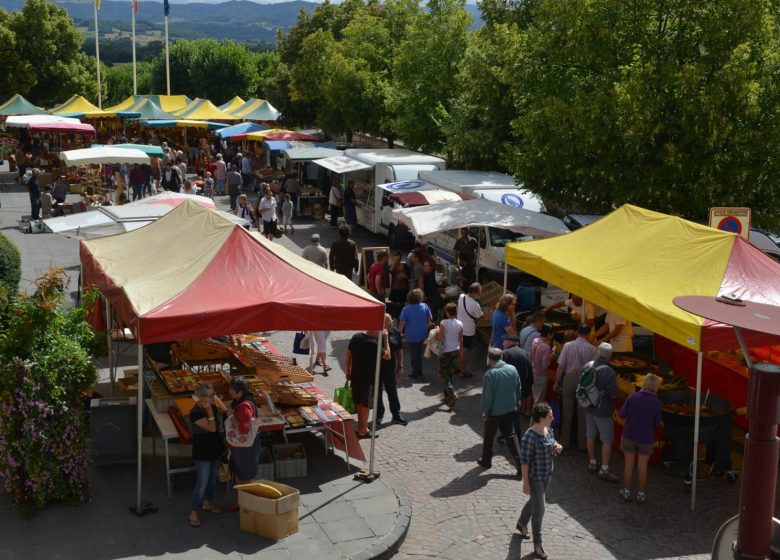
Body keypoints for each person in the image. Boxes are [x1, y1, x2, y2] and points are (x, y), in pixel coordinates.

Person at [517, 401, 562, 560]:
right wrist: (526, 483)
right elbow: (524, 462)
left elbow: (552, 443)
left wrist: (557, 446)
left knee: (534, 501)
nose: (553, 419)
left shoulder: (548, 430)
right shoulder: (529, 436)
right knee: (540, 510)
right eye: (550, 416)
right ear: (541, 418)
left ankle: (521, 523)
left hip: (546, 475)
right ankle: (538, 544)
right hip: (535, 478)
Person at [619, 373, 662, 503]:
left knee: (628, 466)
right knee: (642, 468)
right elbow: (656, 423)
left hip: (630, 435)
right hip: (646, 438)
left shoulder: (632, 397)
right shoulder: (657, 403)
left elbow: (622, 414)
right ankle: (641, 494)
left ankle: (626, 492)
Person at [553, 324, 597, 449]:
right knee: (582, 415)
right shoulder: (593, 349)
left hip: (569, 379)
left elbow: (561, 366)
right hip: (584, 381)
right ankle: (582, 444)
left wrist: (556, 382)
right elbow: (594, 370)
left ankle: (564, 442)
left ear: (577, 332)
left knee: (567, 413)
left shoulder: (567, 346)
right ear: (588, 334)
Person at [478, 347, 522, 472]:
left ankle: (486, 460)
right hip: (510, 408)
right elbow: (518, 387)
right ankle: (521, 465)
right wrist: (517, 402)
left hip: (495, 412)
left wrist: (486, 412)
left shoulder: (489, 374)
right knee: (511, 435)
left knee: (489, 436)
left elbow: (487, 397)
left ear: (489, 358)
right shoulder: (512, 369)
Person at [188, 383, 224, 527]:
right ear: (203, 397)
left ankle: (207, 503)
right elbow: (212, 428)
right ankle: (194, 512)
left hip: (214, 448)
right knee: (202, 483)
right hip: (202, 451)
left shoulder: (213, 406)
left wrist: (212, 407)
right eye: (211, 395)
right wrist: (209, 410)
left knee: (212, 481)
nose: (214, 397)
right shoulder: (195, 412)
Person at [583, 342, 620, 481]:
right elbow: (613, 394)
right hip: (603, 410)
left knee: (590, 436)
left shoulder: (588, 365)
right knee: (606, 440)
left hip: (588, 407)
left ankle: (592, 462)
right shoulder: (609, 372)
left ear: (598, 353)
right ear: (610, 356)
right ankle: (604, 469)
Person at [346, 329, 388, 438]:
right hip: (367, 379)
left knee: (359, 403)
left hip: (355, 376)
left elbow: (348, 353)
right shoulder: (373, 343)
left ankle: (361, 427)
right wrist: (386, 338)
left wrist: (347, 369)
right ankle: (362, 431)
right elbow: (387, 356)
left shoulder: (356, 336)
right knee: (365, 405)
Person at [226, 378, 261, 485]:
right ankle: (242, 496)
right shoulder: (239, 402)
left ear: (240, 392)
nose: (229, 391)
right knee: (240, 475)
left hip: (245, 449)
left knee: (246, 478)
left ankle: (249, 496)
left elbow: (243, 429)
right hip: (242, 447)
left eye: (232, 390)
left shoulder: (244, 406)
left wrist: (230, 416)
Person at [376, 313, 408, 425]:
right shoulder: (376, 333)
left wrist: (400, 365)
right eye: (385, 321)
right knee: (377, 392)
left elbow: (399, 350)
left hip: (390, 368)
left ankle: (396, 415)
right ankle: (379, 415)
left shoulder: (396, 332)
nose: (388, 323)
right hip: (377, 368)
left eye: (389, 321)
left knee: (392, 392)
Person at [398, 288, 433, 380]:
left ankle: (415, 372)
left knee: (414, 353)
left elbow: (402, 323)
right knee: (419, 351)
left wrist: (399, 333)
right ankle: (419, 370)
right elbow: (430, 318)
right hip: (422, 332)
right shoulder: (424, 306)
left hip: (411, 334)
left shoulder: (406, 309)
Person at [437, 303, 463, 407]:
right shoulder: (460, 323)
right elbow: (461, 339)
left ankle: (452, 394)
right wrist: (460, 351)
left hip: (446, 351)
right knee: (450, 374)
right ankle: (447, 397)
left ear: (447, 312)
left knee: (443, 375)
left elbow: (440, 337)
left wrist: (436, 333)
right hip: (456, 350)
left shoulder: (444, 322)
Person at [502, 333, 534, 417]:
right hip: (522, 386)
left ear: (509, 342)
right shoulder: (525, 353)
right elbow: (530, 371)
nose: (502, 343)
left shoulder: (505, 353)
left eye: (504, 341)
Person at [457, 283, 484, 378]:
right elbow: (479, 316)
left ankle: (458, 367)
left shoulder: (461, 297)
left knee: (460, 349)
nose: (480, 294)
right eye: (479, 292)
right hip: (468, 330)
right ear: (474, 293)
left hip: (459, 327)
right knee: (464, 351)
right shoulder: (475, 305)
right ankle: (462, 371)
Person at [529, 324, 554, 405]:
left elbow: (530, 354)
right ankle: (536, 413)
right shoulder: (546, 347)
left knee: (535, 396)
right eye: (552, 334)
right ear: (548, 334)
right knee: (539, 399)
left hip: (533, 371)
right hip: (541, 375)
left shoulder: (534, 341)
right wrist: (550, 358)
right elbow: (545, 365)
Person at [387, 252, 410, 317]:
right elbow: (390, 271)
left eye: (398, 259)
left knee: (402, 305)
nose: (397, 261)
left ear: (400, 259)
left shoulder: (405, 266)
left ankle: (401, 317)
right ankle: (393, 317)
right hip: (395, 289)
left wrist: (404, 276)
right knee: (393, 305)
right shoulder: (392, 266)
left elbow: (409, 276)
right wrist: (394, 263)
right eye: (395, 259)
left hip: (403, 289)